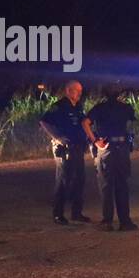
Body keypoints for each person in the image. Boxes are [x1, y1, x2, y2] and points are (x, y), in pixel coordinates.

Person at [39, 80, 94, 225]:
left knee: (79, 180)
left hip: (77, 147)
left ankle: (77, 213)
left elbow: (83, 123)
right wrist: (57, 137)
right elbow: (44, 121)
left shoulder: (78, 107)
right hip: (65, 149)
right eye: (77, 90)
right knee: (63, 180)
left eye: (81, 91)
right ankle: (58, 214)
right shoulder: (59, 106)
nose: (80, 93)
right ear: (69, 91)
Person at [87, 85, 137, 232]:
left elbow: (85, 123)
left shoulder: (99, 108)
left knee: (106, 185)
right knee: (122, 184)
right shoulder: (126, 107)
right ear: (119, 93)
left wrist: (95, 140)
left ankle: (107, 221)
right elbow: (132, 123)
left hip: (106, 148)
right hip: (122, 148)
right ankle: (125, 221)